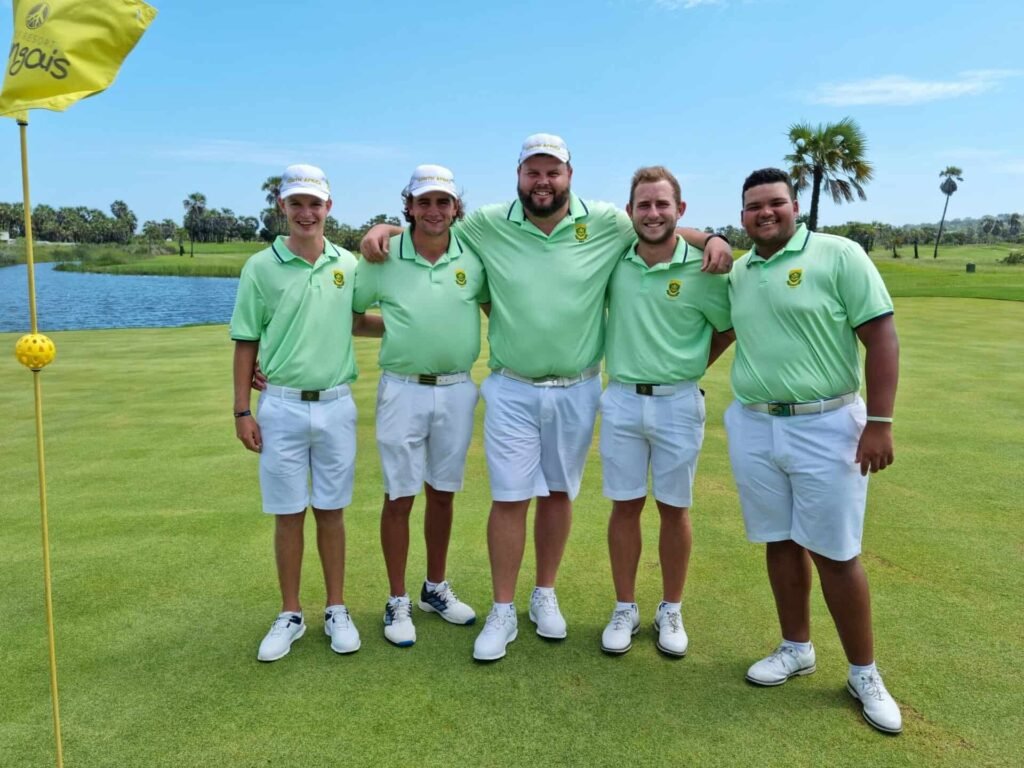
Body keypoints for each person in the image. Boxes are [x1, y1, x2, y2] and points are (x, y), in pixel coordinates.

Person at [362, 134, 733, 662]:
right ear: (519, 176)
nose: (543, 182)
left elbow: (660, 224)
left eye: (552, 172)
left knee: (558, 494)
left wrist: (713, 237)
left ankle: (544, 594)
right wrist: (384, 228)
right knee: (509, 497)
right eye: (533, 172)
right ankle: (503, 610)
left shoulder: (604, 221)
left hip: (577, 387)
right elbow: (432, 227)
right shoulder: (489, 223)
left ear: (569, 176)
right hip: (512, 386)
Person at [724, 167, 902, 733]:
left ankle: (864, 672)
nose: (765, 212)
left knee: (836, 553)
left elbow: (880, 336)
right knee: (778, 540)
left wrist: (880, 422)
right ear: (742, 215)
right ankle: (796, 647)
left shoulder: (839, 254)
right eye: (754, 206)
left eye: (775, 202)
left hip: (828, 424)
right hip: (755, 423)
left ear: (795, 207)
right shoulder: (740, 271)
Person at [230, 163, 382, 662]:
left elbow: (357, 321)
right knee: (288, 513)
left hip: (336, 405)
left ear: (328, 207)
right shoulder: (260, 267)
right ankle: (291, 613)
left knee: (332, 512)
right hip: (280, 406)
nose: (306, 212)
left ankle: (336, 608)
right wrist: (242, 410)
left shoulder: (348, 264)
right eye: (296, 203)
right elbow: (246, 339)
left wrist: (411, 324)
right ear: (283, 206)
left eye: (315, 203)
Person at [352, 165, 488, 647]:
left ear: (456, 208)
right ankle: (397, 598)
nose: (434, 210)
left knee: (443, 493)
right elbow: (352, 317)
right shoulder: (383, 256)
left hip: (457, 388)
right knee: (400, 496)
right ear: (408, 206)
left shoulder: (473, 254)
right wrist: (397, 328)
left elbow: (495, 308)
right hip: (402, 389)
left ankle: (434, 588)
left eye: (442, 202)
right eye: (424, 201)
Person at [598, 166, 732, 657]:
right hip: (622, 398)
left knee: (674, 508)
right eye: (644, 205)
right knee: (625, 505)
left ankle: (670, 608)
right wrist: (711, 234)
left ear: (680, 209)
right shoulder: (615, 260)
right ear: (630, 211)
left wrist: (691, 365)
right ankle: (625, 607)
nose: (652, 213)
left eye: (662, 204)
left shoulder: (705, 268)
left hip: (679, 401)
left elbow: (727, 328)